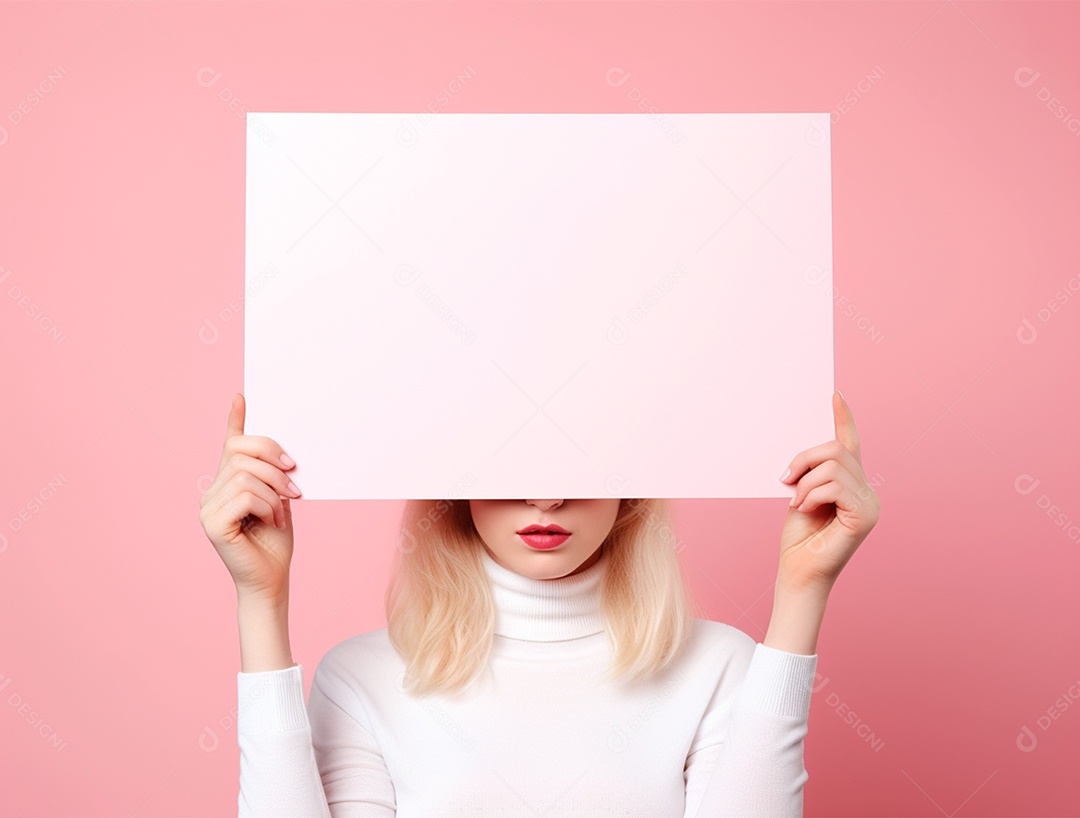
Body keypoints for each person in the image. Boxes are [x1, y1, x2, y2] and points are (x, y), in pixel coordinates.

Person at [198, 391, 880, 817]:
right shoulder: (361, 678)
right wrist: (261, 601)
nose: (547, 496)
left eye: (580, 454)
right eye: (509, 453)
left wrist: (803, 590)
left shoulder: (721, 666)